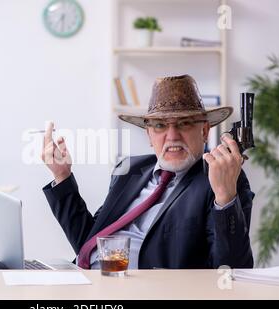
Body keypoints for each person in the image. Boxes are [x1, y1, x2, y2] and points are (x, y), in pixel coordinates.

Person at [42, 74, 254, 269]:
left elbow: (230, 271)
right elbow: (88, 243)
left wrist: (225, 198)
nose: (172, 136)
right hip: (88, 280)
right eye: (160, 125)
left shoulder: (221, 180)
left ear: (205, 131)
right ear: (148, 135)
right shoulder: (129, 169)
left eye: (184, 123)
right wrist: (62, 176)